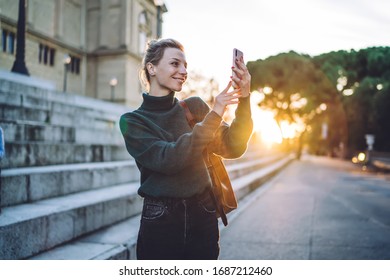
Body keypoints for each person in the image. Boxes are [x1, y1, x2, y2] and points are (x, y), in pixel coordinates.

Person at [119, 38, 253, 260]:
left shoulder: (194, 107)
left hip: (203, 212)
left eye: (185, 66)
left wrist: (245, 97)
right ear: (151, 68)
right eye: (174, 64)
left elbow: (234, 146)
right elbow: (169, 159)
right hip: (161, 219)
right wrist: (216, 112)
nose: (183, 71)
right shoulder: (133, 122)